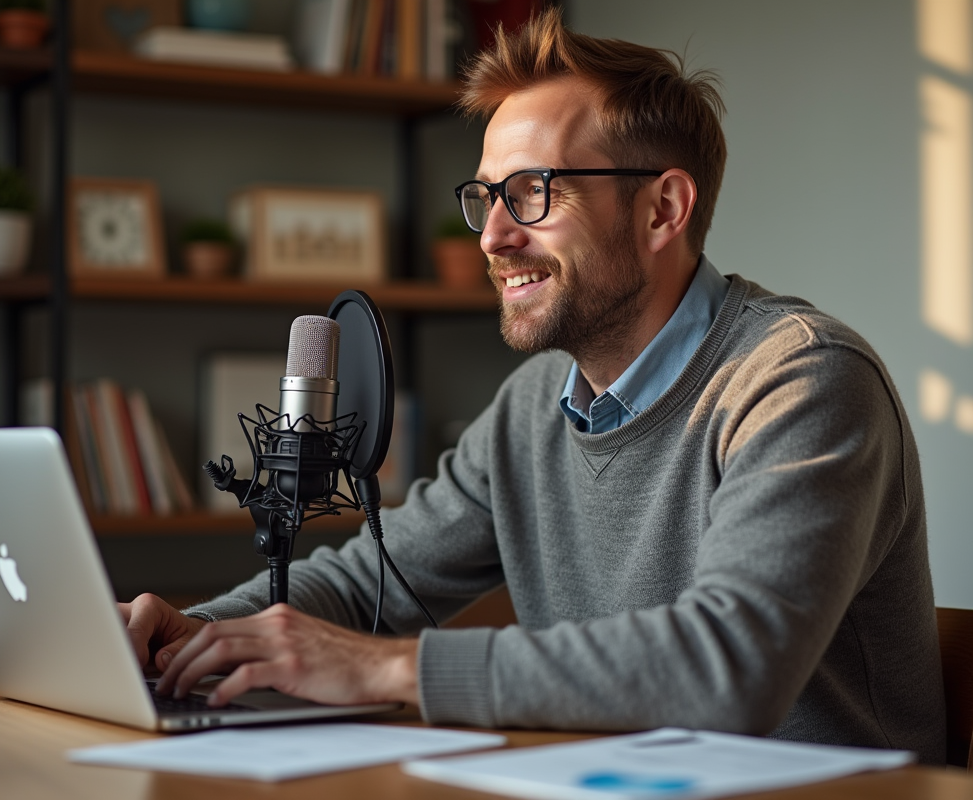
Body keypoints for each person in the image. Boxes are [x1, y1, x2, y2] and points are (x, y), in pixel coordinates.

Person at [120, 9, 944, 762]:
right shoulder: (531, 408)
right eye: (486, 198)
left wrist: (384, 669)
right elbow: (368, 582)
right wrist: (197, 633)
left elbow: (732, 666)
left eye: (532, 193)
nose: (492, 237)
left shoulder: (801, 380)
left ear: (663, 210)